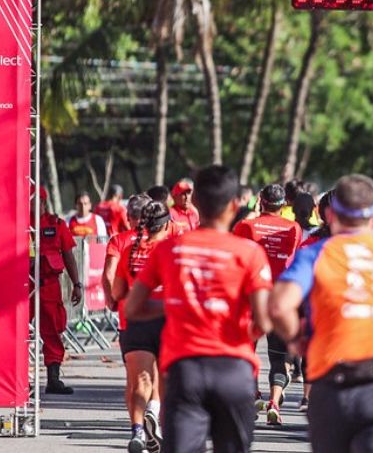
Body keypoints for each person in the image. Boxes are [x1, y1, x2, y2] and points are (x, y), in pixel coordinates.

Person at [270, 174, 373, 453]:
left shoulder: (317, 253)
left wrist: (297, 339)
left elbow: (278, 306)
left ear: (331, 214)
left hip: (332, 384)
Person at [125, 165, 273, 453]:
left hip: (184, 369)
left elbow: (133, 307)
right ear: (234, 205)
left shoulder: (169, 250)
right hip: (234, 369)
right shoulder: (250, 253)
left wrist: (178, 306)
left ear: (195, 204)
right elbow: (263, 322)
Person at [232, 183, 303, 426]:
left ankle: (252, 395)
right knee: (278, 356)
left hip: (251, 297)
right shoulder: (294, 228)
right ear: (283, 205)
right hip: (279, 298)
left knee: (246, 352)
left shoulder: (245, 226)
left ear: (260, 201)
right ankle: (274, 402)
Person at [111, 201, 173, 453]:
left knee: (141, 383)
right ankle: (163, 429)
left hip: (135, 323)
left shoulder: (130, 251)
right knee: (167, 383)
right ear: (168, 224)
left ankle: (137, 431)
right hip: (167, 322)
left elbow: (117, 291)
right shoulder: (173, 250)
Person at [36, 187, 83, 395]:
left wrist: (77, 284)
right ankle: (19, 381)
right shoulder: (16, 224)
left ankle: (53, 378)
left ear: (44, 202)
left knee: (53, 331)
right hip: (20, 289)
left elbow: (68, 255)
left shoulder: (56, 225)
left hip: (48, 286)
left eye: (36, 201)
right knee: (17, 333)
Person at [103, 194, 154, 311]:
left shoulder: (118, 240)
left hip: (128, 313)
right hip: (158, 313)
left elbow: (108, 275)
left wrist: (111, 301)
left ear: (127, 216)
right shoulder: (161, 239)